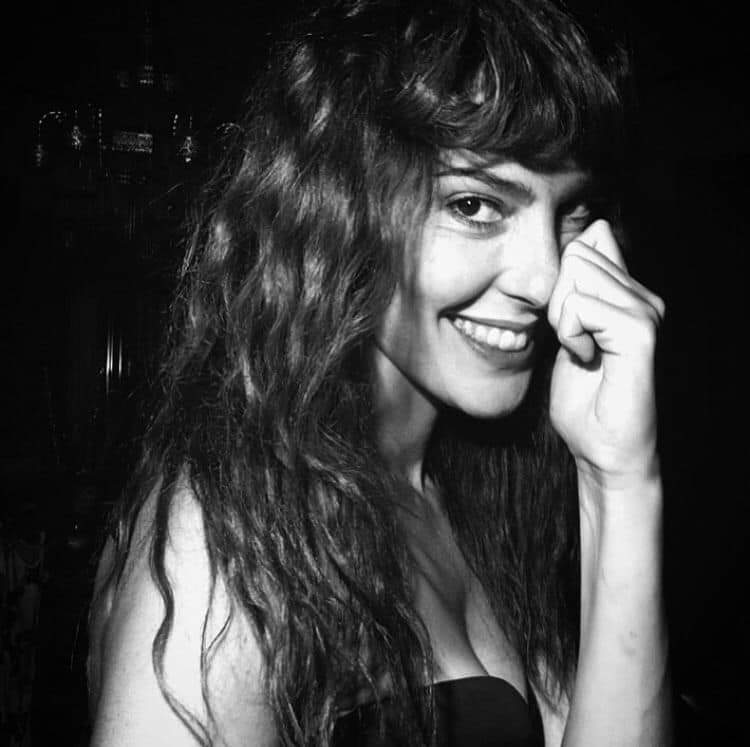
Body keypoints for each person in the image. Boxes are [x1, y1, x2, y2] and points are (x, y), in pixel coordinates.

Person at [87, 1, 672, 745]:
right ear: (340, 210)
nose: (547, 276)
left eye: (572, 211)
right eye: (474, 204)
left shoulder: (480, 489)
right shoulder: (227, 540)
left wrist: (620, 480)